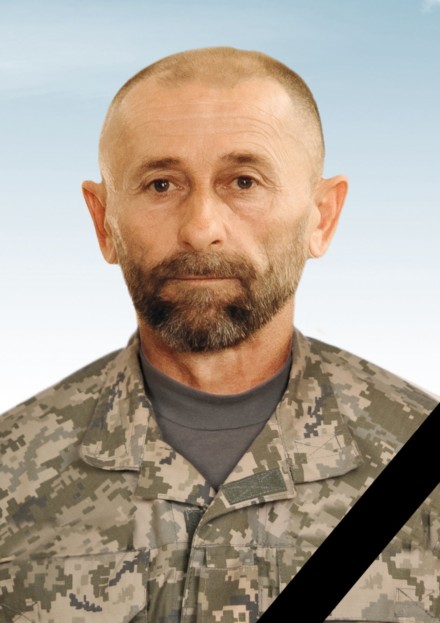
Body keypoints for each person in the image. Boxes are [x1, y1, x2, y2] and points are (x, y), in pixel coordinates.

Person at [0, 46, 438, 623]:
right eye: (161, 184)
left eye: (244, 181)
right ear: (103, 221)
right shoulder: (9, 472)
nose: (201, 228)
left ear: (322, 217)